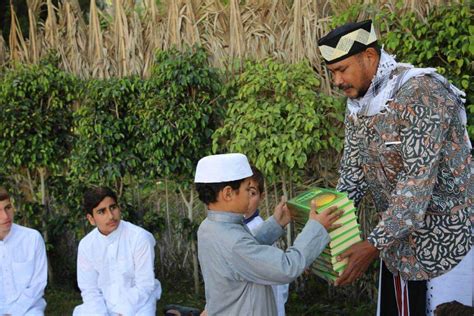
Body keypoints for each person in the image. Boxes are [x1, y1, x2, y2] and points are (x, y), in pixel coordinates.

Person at [317, 20, 472, 315]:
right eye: (332, 71)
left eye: (342, 69)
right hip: (400, 245)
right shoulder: (360, 105)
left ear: (370, 57)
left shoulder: (421, 93)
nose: (336, 81)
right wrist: (325, 228)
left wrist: (373, 245)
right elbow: (352, 175)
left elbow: (416, 183)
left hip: (451, 243)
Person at [195, 153, 342, 316]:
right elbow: (286, 267)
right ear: (228, 194)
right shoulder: (233, 242)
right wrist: (317, 228)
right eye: (246, 189)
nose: (249, 197)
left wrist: (275, 224)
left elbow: (248, 252)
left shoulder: (208, 227)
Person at [73, 186, 162, 316]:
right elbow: (90, 289)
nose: (110, 216)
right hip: (103, 303)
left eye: (113, 207)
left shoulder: (139, 238)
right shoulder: (87, 245)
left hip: (138, 304)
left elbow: (144, 285)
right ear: (91, 219)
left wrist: (122, 312)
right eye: (101, 211)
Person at [243, 166, 289, 316]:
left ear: (261, 197)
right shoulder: (231, 228)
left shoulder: (260, 229)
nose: (246, 199)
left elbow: (279, 285)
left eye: (252, 193)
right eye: (242, 191)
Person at [0, 187, 48, 315]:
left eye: (8, 208)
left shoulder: (32, 238)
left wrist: (13, 313)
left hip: (28, 309)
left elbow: (38, 284)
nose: (5, 216)